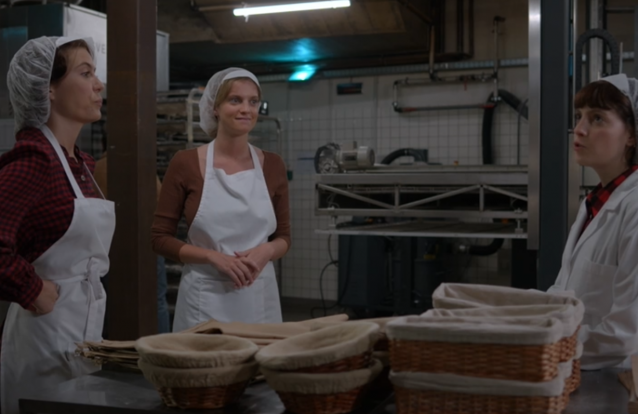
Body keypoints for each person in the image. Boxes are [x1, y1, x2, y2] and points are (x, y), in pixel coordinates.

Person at [0, 36, 114, 414]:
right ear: (47, 88)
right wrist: (30, 288)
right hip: (43, 333)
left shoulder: (80, 164)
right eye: (86, 73)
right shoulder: (35, 159)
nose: (98, 85)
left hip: (84, 325)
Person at [151, 67, 290, 331]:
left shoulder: (273, 165)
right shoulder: (186, 163)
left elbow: (284, 237)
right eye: (235, 100)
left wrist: (267, 251)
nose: (246, 109)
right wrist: (213, 257)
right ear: (215, 107)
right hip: (204, 299)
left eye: (253, 101)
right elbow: (159, 239)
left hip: (259, 298)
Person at [549, 73, 638, 370]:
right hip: (578, 370)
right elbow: (564, 294)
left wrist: (546, 346)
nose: (579, 129)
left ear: (631, 135)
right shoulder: (594, 203)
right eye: (579, 116)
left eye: (597, 118)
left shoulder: (635, 207)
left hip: (616, 379)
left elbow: (627, 334)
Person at [93, 140, 170, 333]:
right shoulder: (143, 167)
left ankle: (112, 348)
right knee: (156, 301)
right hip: (146, 244)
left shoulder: (95, 169)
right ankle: (161, 345)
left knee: (109, 302)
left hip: (108, 245)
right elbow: (161, 202)